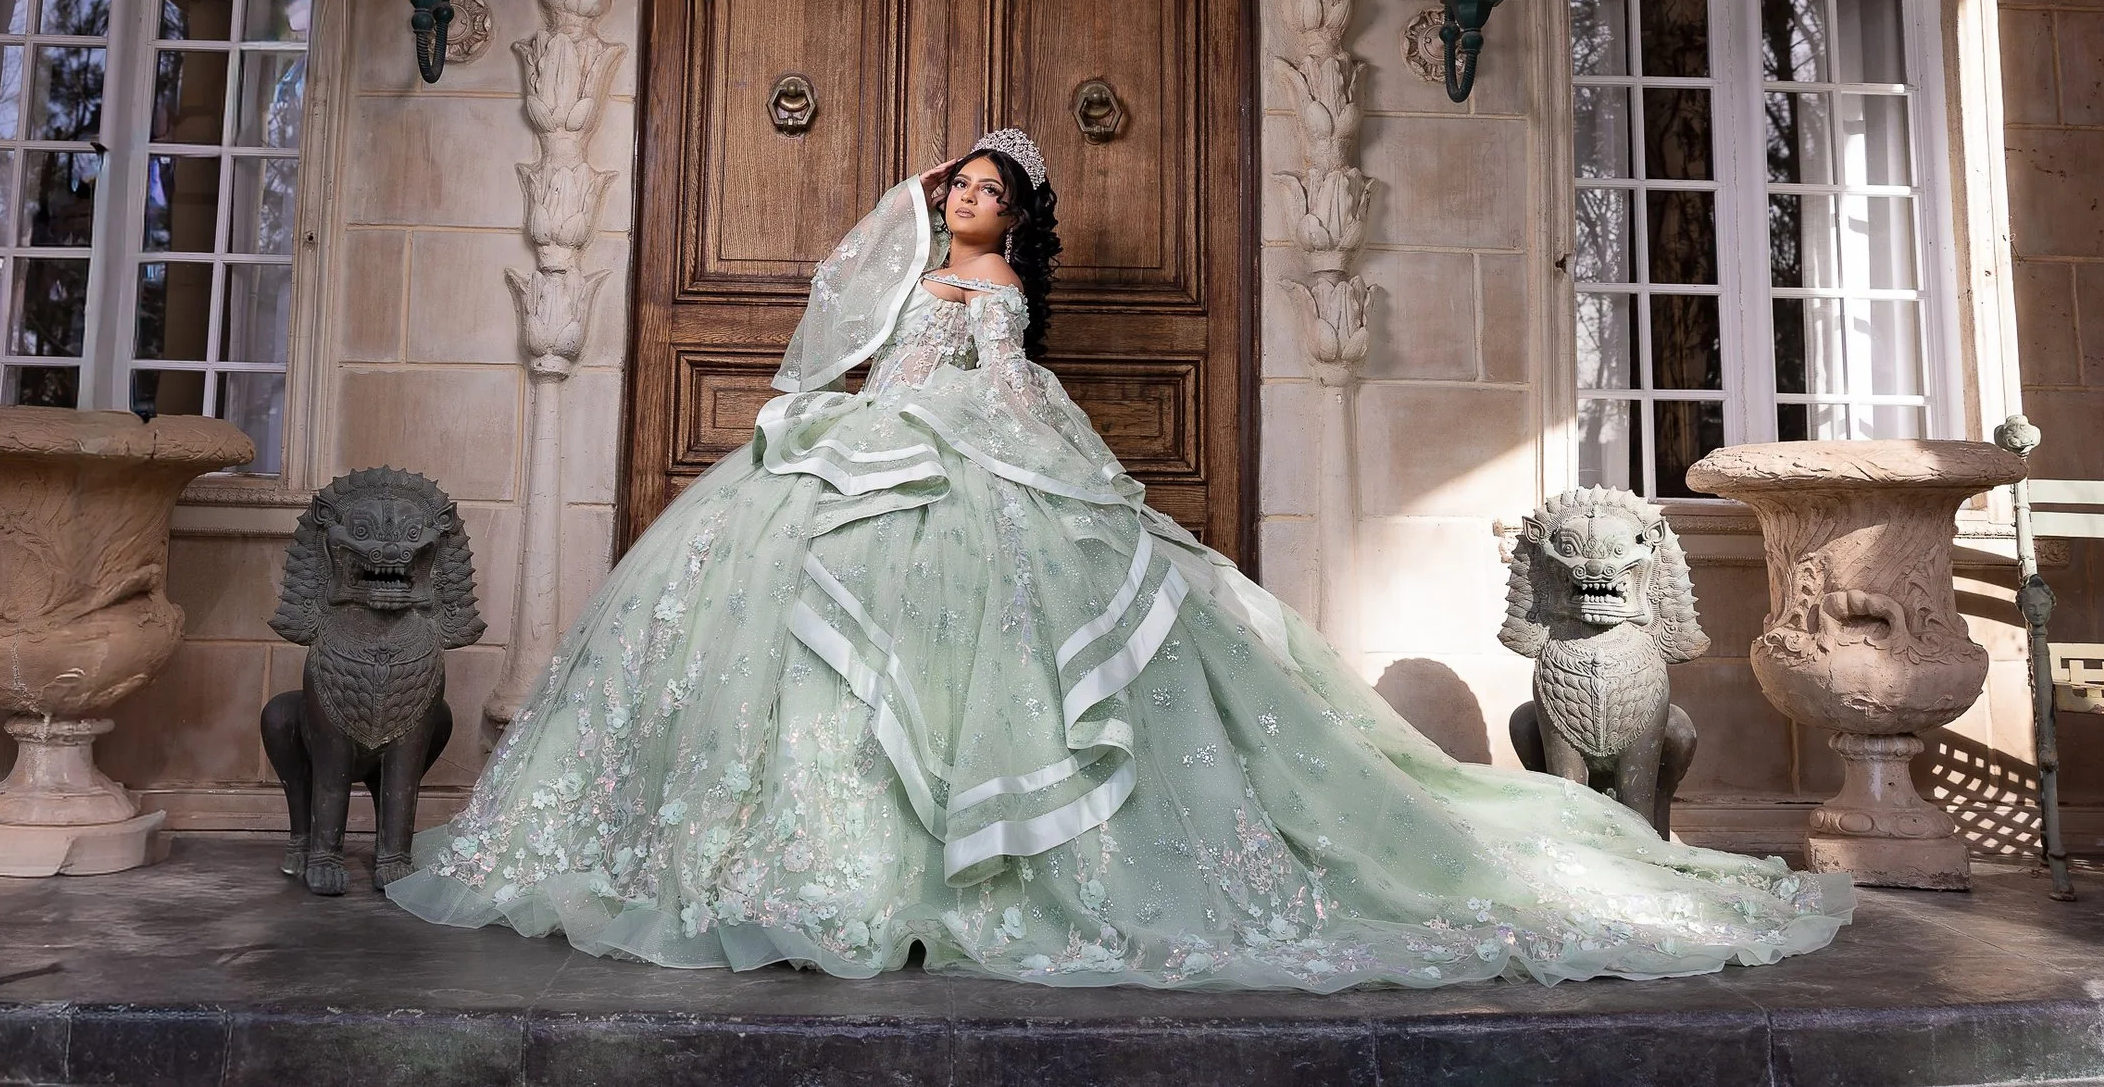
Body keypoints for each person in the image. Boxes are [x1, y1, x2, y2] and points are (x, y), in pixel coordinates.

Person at [387, 132, 1852, 988]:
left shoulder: (1004, 288)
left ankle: (970, 859)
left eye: (983, 192)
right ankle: (836, 851)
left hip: (981, 453)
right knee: (821, 645)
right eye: (954, 185)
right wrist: (868, 329)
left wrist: (1081, 472)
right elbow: (852, 322)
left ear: (1016, 219)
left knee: (1067, 634)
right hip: (883, 448)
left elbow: (1009, 389)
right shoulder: (908, 262)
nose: (964, 200)